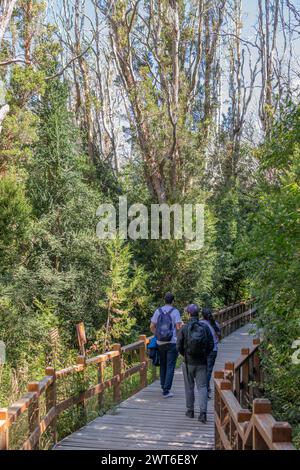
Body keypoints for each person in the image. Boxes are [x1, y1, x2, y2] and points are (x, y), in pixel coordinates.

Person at [176, 304, 214, 423]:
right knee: (202, 387)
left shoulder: (184, 328)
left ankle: (190, 411)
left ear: (188, 314)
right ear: (199, 314)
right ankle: (203, 414)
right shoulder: (205, 327)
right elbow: (211, 345)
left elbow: (178, 346)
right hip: (202, 362)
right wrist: (204, 355)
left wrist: (185, 355)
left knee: (189, 387)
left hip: (188, 362)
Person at [150, 292, 182, 398]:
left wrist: (158, 335)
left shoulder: (158, 311)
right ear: (173, 301)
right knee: (170, 366)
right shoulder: (175, 312)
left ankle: (163, 386)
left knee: (163, 364)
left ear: (164, 300)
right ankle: (166, 390)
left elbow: (152, 326)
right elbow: (178, 327)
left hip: (160, 343)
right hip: (171, 342)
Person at [201, 307, 221, 399]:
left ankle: (205, 388)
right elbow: (219, 336)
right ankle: (206, 388)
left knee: (203, 370)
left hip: (202, 350)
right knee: (208, 371)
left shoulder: (200, 324)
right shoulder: (215, 324)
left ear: (202, 315)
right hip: (213, 350)